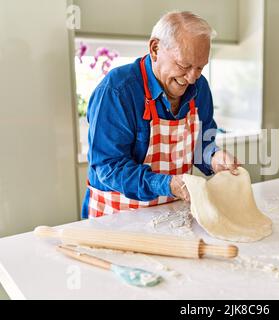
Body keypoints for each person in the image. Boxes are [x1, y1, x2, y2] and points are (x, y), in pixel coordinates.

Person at [82, 11, 240, 219]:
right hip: (117, 216)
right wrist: (167, 184)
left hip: (172, 213)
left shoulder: (200, 88)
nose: (192, 78)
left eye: (200, 67)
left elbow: (202, 143)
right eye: (184, 65)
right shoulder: (117, 91)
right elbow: (109, 166)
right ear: (155, 49)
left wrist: (213, 157)